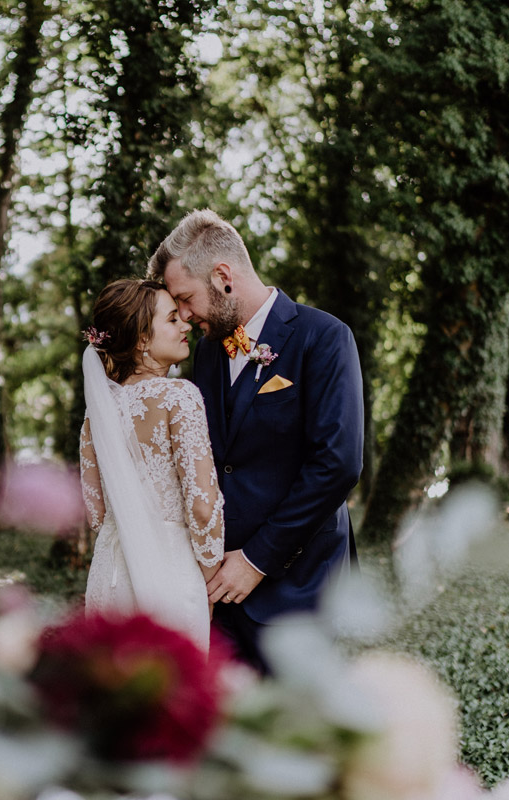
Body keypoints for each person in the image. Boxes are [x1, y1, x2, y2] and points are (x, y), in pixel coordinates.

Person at [147, 209, 363, 673]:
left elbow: (338, 463)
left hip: (301, 585)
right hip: (219, 591)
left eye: (185, 298)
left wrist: (257, 559)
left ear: (223, 277)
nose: (183, 315)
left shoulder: (324, 337)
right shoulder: (206, 351)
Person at [79, 278, 225, 654]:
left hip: (109, 574)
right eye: (173, 319)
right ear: (142, 339)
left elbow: (97, 513)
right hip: (172, 573)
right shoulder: (180, 397)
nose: (186, 326)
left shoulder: (94, 417)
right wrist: (210, 580)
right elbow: (203, 505)